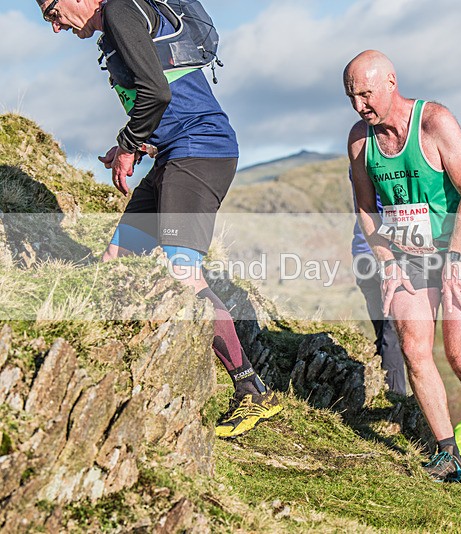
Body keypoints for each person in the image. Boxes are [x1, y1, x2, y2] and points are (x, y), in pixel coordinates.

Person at [38, 0, 281, 438]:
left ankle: (251, 389)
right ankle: (110, 377)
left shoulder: (119, 11)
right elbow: (167, 94)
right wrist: (134, 144)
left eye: (52, 13)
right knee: (117, 260)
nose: (55, 27)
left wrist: (128, 144)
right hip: (173, 155)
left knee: (181, 273)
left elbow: (156, 92)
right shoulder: (117, 22)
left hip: (200, 152)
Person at [344, 50, 461, 483]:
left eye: (366, 94)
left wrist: (456, 259)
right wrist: (386, 262)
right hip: (407, 257)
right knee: (414, 350)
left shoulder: (435, 123)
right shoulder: (360, 140)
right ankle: (447, 453)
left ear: (391, 83)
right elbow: (365, 207)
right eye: (351, 97)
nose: (359, 105)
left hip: (458, 250)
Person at [349, 168, 406, 395]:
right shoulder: (391, 164)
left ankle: (384, 393)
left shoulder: (358, 162)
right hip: (386, 255)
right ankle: (395, 398)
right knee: (393, 334)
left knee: (385, 333)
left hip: (362, 255)